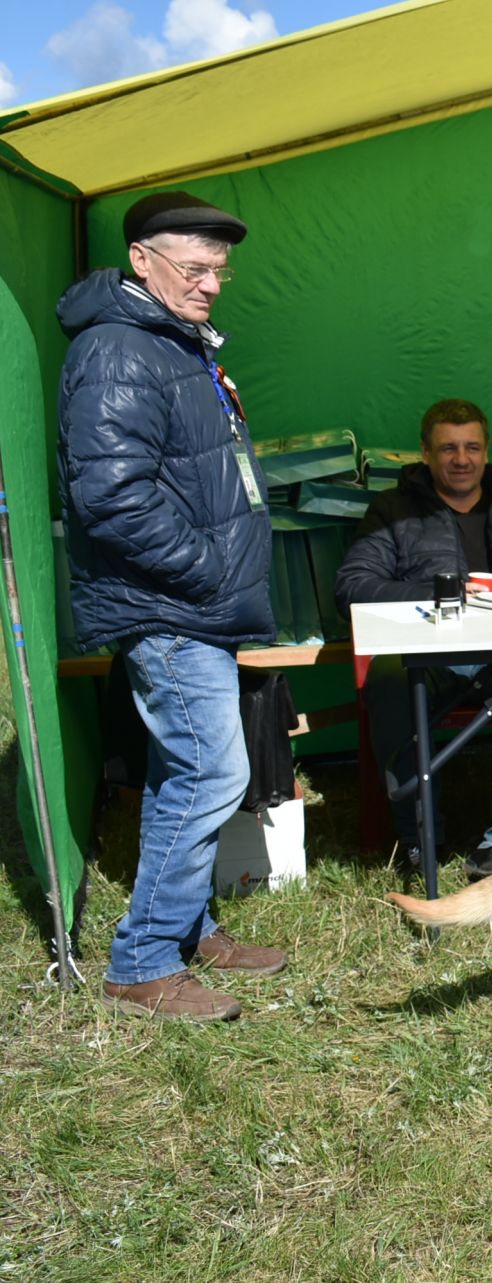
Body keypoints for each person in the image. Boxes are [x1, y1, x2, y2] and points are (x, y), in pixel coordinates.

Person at [59, 190, 287, 1021]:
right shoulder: (121, 349)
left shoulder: (171, 341)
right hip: (169, 605)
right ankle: (143, 962)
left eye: (220, 271)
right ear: (142, 261)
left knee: (180, 770)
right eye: (195, 268)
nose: (212, 284)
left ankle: (188, 926)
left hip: (190, 601)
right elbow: (111, 497)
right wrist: (207, 571)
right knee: (212, 769)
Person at [335, 399, 492, 878]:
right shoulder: (393, 509)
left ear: (487, 449)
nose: (461, 459)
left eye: (472, 447)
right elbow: (352, 586)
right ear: (426, 453)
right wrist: (446, 595)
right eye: (448, 448)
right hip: (427, 653)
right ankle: (419, 838)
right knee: (390, 682)